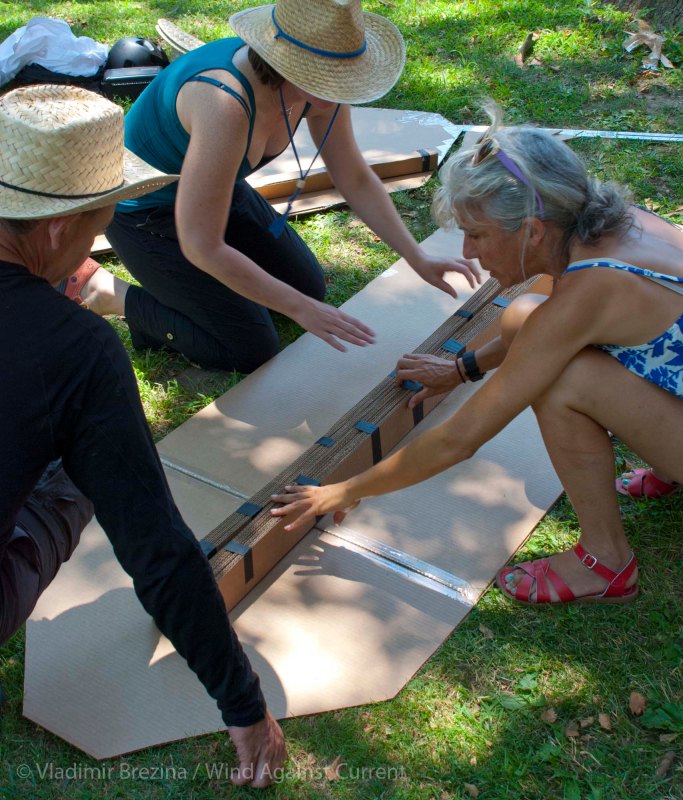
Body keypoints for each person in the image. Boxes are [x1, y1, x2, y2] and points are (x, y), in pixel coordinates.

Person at [270, 106, 683, 606]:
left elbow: (459, 439)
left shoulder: (593, 288)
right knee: (524, 315)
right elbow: (542, 328)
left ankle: (606, 562)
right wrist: (463, 367)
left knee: (562, 381)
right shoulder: (606, 229)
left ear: (532, 231)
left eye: (478, 234)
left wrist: (345, 489)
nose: (469, 250)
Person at [0, 84, 285, 788]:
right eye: (100, 222)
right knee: (75, 471)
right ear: (60, 228)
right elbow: (154, 546)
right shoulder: (78, 349)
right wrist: (243, 704)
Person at [71, 0, 480, 372]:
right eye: (325, 78)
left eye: (343, 77)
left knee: (308, 288)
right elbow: (201, 244)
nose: (337, 92)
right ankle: (110, 293)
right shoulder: (224, 104)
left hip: (218, 191)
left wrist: (416, 256)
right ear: (285, 62)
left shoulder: (321, 90)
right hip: (145, 214)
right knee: (249, 348)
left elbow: (353, 176)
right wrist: (299, 309)